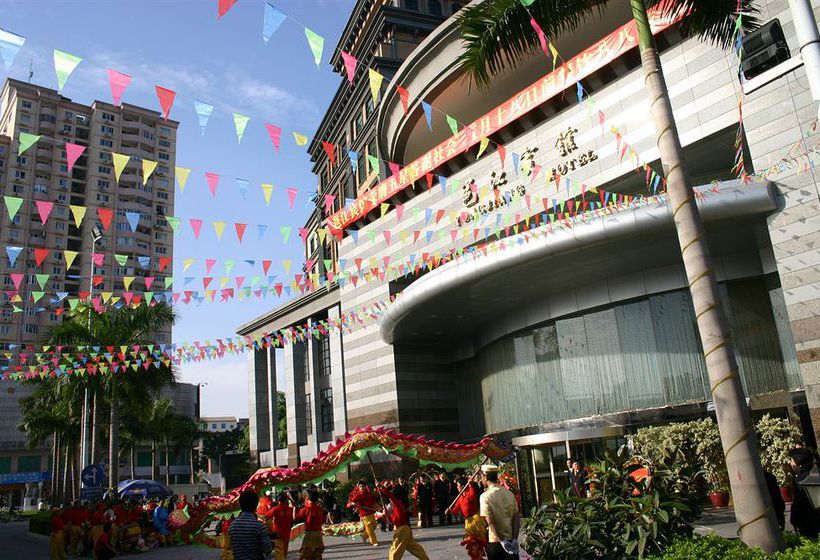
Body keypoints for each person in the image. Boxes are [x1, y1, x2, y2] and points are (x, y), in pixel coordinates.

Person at [479, 465, 519, 560]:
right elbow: (516, 518)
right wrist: (514, 539)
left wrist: (502, 541)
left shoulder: (485, 496)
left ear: (485, 477)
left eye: (481, 476)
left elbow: (490, 522)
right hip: (511, 540)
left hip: (495, 542)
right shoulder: (509, 493)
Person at [382, 487, 429, 560]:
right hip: (404, 529)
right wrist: (386, 515)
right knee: (416, 548)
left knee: (394, 550)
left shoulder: (398, 504)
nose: (390, 500)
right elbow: (393, 522)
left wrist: (382, 488)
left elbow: (390, 496)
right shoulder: (396, 506)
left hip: (402, 530)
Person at [449, 477, 488, 560]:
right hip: (468, 522)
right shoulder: (460, 497)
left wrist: (470, 485)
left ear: (463, 486)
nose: (457, 487)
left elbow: (473, 495)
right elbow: (456, 510)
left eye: (458, 485)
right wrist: (449, 511)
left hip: (476, 521)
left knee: (477, 542)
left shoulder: (470, 492)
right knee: (472, 545)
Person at [228, 491, 272, 560]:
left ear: (240, 504)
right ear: (256, 504)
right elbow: (268, 550)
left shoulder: (233, 526)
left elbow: (232, 548)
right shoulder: (260, 527)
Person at [789, 447, 820, 538]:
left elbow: (798, 504)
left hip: (811, 524)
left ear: (799, 463)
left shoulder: (801, 480)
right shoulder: (816, 472)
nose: (790, 463)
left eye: (791, 460)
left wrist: (794, 520)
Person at [347, 479, 379, 546]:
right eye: (360, 486)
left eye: (363, 486)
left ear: (365, 487)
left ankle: (364, 535)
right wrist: (353, 503)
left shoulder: (368, 494)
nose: (362, 488)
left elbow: (373, 502)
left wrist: (378, 507)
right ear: (358, 487)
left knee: (374, 526)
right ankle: (374, 541)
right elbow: (351, 501)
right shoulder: (358, 495)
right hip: (364, 514)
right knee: (369, 527)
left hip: (371, 512)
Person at [295, 489, 325, 560]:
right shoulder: (320, 509)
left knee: (306, 554)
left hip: (309, 534)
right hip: (318, 533)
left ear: (308, 498)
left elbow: (298, 517)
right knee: (317, 555)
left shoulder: (306, 509)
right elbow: (323, 519)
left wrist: (296, 510)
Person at [270, 493, 294, 560]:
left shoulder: (275, 509)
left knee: (279, 552)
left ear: (278, 500)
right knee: (284, 551)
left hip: (278, 534)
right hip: (287, 533)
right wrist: (289, 498)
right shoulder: (289, 509)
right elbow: (294, 505)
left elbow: (265, 517)